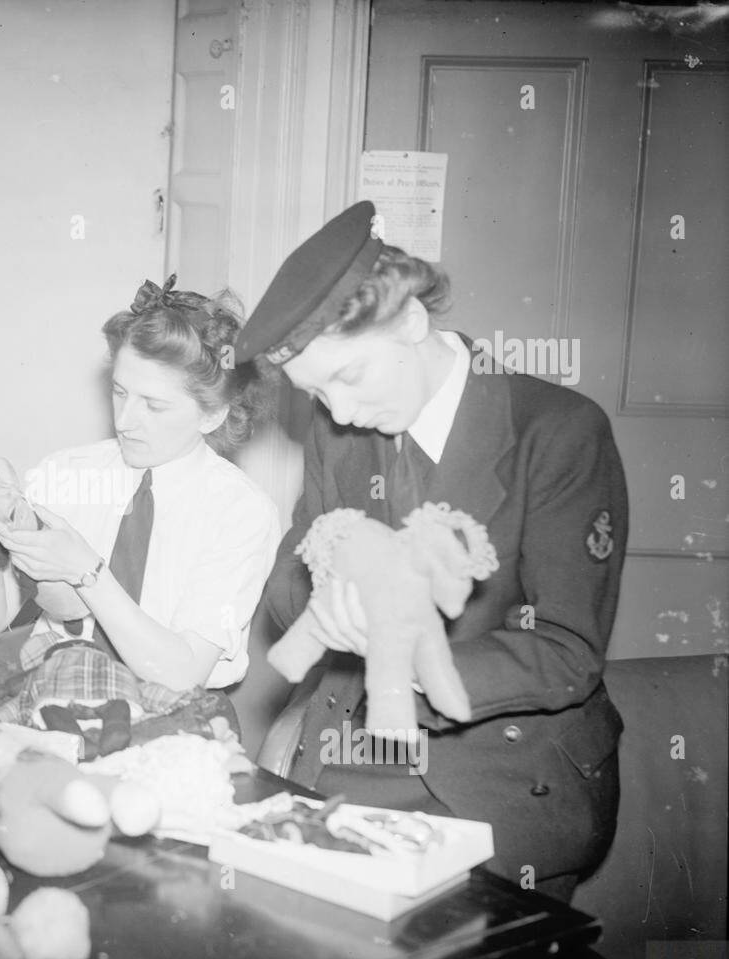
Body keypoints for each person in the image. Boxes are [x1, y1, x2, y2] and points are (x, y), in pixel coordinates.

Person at [232, 202, 628, 900]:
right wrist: (327, 600)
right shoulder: (338, 432)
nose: (339, 413)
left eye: (349, 377)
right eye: (315, 393)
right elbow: (289, 579)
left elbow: (567, 649)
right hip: (353, 756)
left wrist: (406, 655)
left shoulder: (559, 430)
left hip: (504, 776)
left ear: (413, 321)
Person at [0, 277, 281, 692]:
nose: (125, 420)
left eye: (154, 405)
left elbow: (181, 674)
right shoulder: (66, 472)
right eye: (120, 392)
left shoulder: (240, 511)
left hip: (176, 715)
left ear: (212, 415)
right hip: (51, 692)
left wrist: (88, 572)